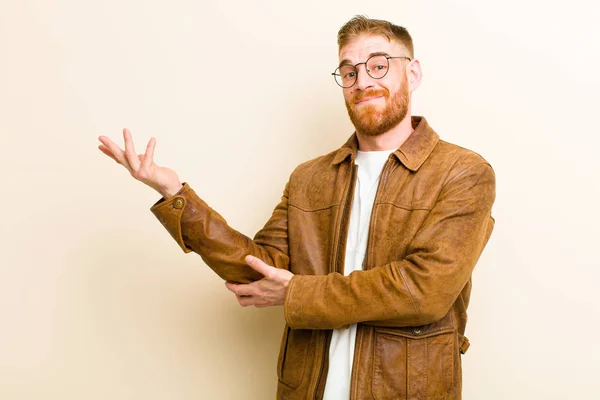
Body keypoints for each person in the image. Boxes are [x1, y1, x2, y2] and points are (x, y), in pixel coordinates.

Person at [98, 15, 495, 400]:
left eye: (379, 65)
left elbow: (424, 292)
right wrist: (175, 195)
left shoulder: (462, 172)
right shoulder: (310, 178)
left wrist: (297, 293)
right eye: (350, 72)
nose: (363, 82)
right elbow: (257, 269)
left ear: (413, 73)